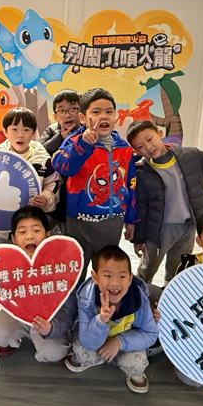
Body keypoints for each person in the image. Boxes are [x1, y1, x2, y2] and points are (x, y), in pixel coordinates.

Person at [127, 120, 203, 284]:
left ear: (160, 133)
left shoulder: (191, 155)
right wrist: (139, 238)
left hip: (188, 225)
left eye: (149, 139)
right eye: (140, 146)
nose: (148, 147)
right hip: (158, 229)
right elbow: (141, 206)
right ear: (135, 151)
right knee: (148, 267)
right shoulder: (141, 172)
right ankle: (139, 293)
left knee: (178, 267)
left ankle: (171, 294)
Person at [0, 206, 77, 362]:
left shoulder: (59, 263)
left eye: (36, 230)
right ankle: (9, 341)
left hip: (50, 319)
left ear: (47, 235)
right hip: (17, 314)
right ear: (13, 239)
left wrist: (52, 328)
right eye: (22, 232)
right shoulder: (8, 260)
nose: (29, 236)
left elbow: (69, 308)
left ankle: (51, 343)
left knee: (54, 352)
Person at [51, 88, 137, 274]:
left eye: (109, 111)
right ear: (83, 118)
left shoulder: (125, 149)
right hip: (79, 221)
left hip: (112, 222)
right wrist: (83, 145)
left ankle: (100, 295)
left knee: (106, 271)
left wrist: (131, 219)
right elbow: (61, 166)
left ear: (115, 116)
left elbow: (131, 185)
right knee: (76, 271)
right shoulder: (75, 141)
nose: (103, 116)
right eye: (96, 112)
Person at [65, 245, 158, 393]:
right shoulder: (87, 299)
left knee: (137, 364)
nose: (115, 283)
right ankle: (98, 358)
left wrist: (119, 342)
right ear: (95, 277)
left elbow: (151, 334)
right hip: (97, 342)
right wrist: (100, 321)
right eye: (107, 276)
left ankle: (131, 371)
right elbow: (87, 341)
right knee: (82, 352)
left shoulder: (139, 300)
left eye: (122, 276)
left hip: (125, 345)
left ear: (130, 279)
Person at [41, 89, 82, 234]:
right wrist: (60, 138)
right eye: (62, 111)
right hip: (57, 195)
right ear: (55, 116)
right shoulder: (52, 131)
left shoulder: (87, 133)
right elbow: (40, 152)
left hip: (79, 196)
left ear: (82, 112)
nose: (68, 114)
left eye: (73, 109)